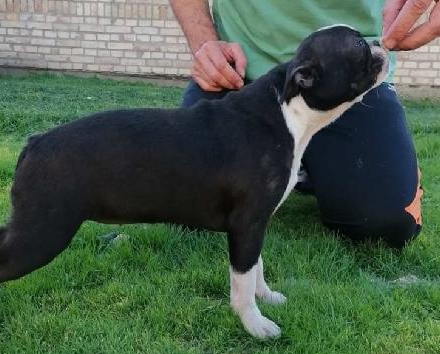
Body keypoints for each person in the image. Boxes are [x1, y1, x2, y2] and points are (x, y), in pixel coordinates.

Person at [169, 0, 438, 248]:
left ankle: (313, 168)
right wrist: (205, 42)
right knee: (186, 207)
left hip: (352, 71)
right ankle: (299, 167)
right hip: (239, 69)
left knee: (385, 224)